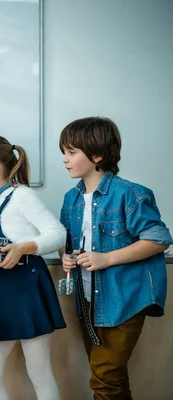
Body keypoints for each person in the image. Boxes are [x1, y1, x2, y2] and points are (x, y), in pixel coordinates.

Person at [59, 117, 172, 399]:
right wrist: (66, 258)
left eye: (72, 152)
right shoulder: (70, 199)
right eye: (64, 152)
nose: (65, 159)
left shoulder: (129, 194)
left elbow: (159, 239)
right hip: (87, 299)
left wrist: (106, 259)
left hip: (124, 298)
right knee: (112, 378)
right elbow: (71, 245)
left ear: (97, 155)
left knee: (104, 378)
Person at [0, 134, 66, 400]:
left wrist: (24, 247)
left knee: (39, 370)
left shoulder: (22, 196)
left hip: (28, 285)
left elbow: (58, 233)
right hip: (0, 290)